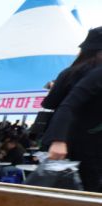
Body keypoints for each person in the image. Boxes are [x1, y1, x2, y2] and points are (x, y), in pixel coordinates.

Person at [41, 27, 102, 192]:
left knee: (58, 192)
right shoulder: (97, 73)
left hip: (61, 140)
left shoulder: (69, 72)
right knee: (89, 192)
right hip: (88, 143)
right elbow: (69, 104)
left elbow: (49, 104)